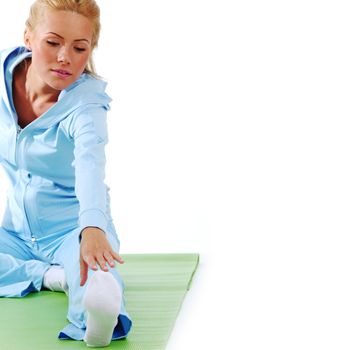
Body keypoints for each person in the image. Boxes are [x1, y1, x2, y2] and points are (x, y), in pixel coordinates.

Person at [0, 0, 132, 347]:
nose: (65, 58)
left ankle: (95, 314)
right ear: (28, 38)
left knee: (92, 273)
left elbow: (90, 165)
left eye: (79, 48)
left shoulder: (86, 104)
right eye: (53, 42)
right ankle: (49, 277)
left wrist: (92, 228)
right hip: (14, 231)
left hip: (72, 228)